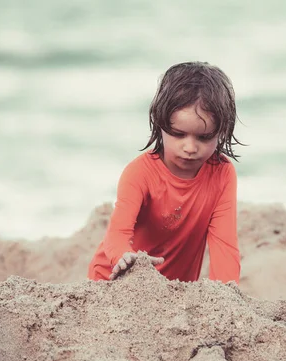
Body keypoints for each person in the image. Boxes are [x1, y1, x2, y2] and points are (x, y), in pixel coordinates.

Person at [87, 61, 243, 284]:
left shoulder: (222, 174)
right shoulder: (139, 173)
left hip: (175, 292)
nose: (190, 147)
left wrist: (228, 294)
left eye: (204, 137)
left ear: (222, 131)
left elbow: (225, 246)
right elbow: (117, 234)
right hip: (113, 282)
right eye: (178, 134)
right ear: (159, 123)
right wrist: (124, 257)